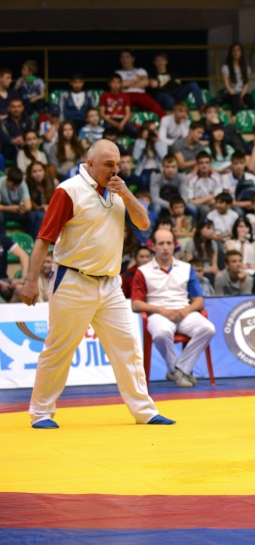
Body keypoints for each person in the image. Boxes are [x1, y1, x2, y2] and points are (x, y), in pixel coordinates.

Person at [18, 140, 174, 427]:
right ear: (90, 164)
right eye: (108, 165)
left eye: (117, 164)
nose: (114, 170)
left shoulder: (118, 191)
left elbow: (143, 224)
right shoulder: (69, 191)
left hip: (110, 284)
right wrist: (30, 282)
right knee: (59, 348)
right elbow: (43, 239)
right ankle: (41, 412)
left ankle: (144, 410)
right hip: (73, 281)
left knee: (127, 346)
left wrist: (126, 193)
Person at [131, 229, 214, 388]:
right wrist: (162, 310)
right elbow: (136, 304)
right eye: (161, 243)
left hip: (184, 312)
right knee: (162, 332)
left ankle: (180, 369)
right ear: (153, 246)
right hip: (158, 313)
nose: (165, 247)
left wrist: (186, 310)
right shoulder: (143, 271)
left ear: (174, 245)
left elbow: (199, 301)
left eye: (169, 243)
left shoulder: (186, 268)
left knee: (208, 329)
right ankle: (175, 370)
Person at [116, 50, 166, 119]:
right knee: (116, 109)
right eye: (122, 58)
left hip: (140, 94)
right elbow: (118, 85)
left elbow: (146, 82)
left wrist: (126, 85)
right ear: (120, 60)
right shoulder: (118, 73)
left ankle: (165, 123)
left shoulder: (140, 71)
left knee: (156, 107)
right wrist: (137, 80)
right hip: (124, 95)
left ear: (133, 59)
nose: (125, 60)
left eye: (127, 57)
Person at [0, 167, 38, 239]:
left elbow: (28, 205)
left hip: (17, 210)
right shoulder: (1, 183)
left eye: (17, 185)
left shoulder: (22, 184)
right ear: (7, 180)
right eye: (13, 185)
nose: (15, 188)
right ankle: (2, 241)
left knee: (31, 215)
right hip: (4, 210)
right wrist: (9, 208)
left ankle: (30, 240)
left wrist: (23, 209)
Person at [218, 43, 254, 118]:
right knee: (235, 98)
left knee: (249, 99)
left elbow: (246, 84)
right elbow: (227, 86)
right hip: (230, 94)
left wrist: (241, 96)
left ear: (241, 52)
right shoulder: (225, 68)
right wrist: (237, 96)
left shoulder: (246, 67)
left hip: (242, 93)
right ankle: (233, 118)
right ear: (231, 53)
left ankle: (253, 118)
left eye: (238, 50)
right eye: (234, 50)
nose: (236, 53)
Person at [100, 74, 137, 138]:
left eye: (118, 82)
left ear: (121, 84)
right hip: (110, 120)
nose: (116, 84)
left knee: (135, 130)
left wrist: (122, 124)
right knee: (106, 130)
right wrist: (114, 123)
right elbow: (101, 113)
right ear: (109, 83)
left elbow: (128, 113)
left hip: (122, 120)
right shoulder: (104, 96)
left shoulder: (125, 96)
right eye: (114, 82)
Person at [0, 232, 30, 303]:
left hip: (4, 279)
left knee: (21, 289)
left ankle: (9, 309)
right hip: (1, 282)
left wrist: (23, 278)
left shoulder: (3, 239)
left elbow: (24, 256)